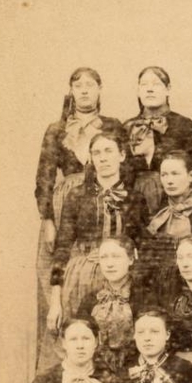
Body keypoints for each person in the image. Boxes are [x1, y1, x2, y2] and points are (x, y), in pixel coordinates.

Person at [34, 68, 127, 372]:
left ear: (100, 89)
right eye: (78, 85)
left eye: (90, 85)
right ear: (71, 91)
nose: (84, 90)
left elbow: (127, 168)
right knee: (65, 275)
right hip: (67, 203)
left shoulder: (112, 125)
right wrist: (48, 219)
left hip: (107, 195)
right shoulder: (57, 129)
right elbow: (44, 176)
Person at [46, 133, 147, 338]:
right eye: (97, 153)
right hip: (81, 277)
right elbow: (62, 248)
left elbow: (142, 246)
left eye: (108, 151)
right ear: (91, 158)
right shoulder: (76, 196)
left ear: (122, 155)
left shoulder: (135, 198)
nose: (103, 158)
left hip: (122, 279)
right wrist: (55, 301)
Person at [139, 150, 192, 304]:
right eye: (164, 175)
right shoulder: (158, 214)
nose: (169, 181)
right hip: (161, 291)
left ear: (191, 176)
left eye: (175, 174)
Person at [123, 66, 192, 215]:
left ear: (168, 89)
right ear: (138, 91)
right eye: (144, 85)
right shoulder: (128, 127)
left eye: (156, 84)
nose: (149, 89)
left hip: (174, 201)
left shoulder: (185, 126)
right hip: (133, 202)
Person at [76, 236, 148, 373]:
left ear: (131, 259)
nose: (109, 264)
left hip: (137, 369)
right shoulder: (90, 299)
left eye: (116, 257)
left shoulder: (144, 297)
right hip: (96, 371)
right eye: (104, 257)